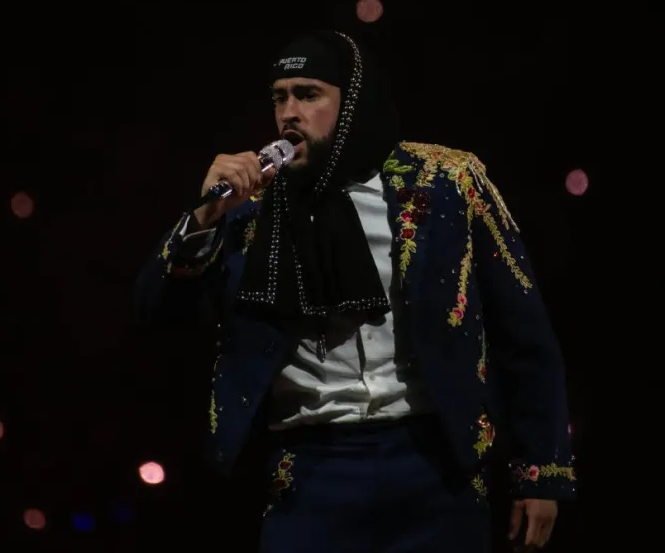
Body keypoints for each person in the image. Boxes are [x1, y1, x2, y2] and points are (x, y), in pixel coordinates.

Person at [135, 29, 575, 552]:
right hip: (310, 474)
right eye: (279, 97)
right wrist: (206, 213)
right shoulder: (249, 206)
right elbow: (156, 313)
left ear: (352, 102)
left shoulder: (447, 182)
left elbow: (522, 332)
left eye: (308, 94)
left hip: (435, 468)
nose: (289, 113)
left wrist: (541, 470)